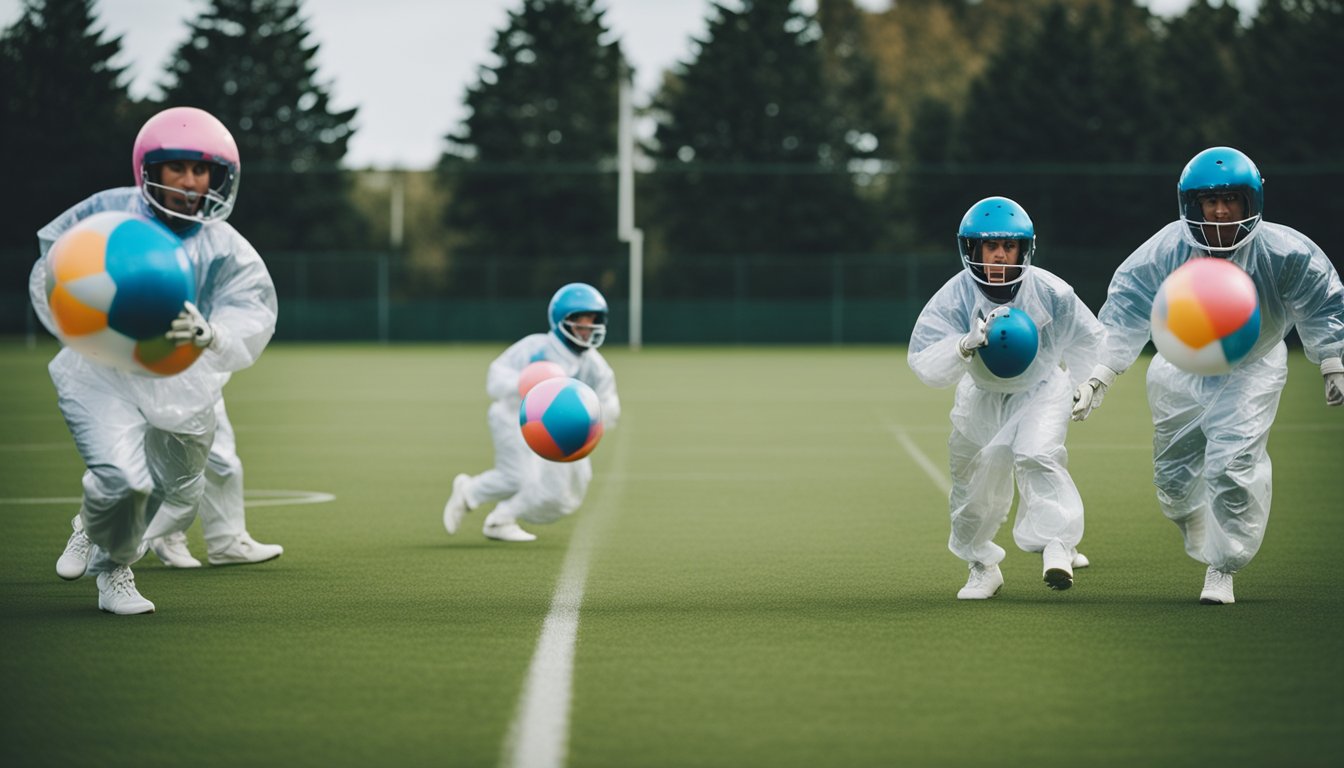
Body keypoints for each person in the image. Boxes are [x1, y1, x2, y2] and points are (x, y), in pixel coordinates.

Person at [1071, 146, 1343, 605]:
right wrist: (1099, 375)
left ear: (1250, 201)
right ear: (1190, 205)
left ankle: (1223, 567)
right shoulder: (1167, 248)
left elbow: (1323, 303)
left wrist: (1333, 361)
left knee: (1233, 466)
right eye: (1208, 200)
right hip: (1179, 369)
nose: (1220, 210)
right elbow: (1127, 310)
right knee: (1173, 483)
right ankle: (1191, 519)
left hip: (1252, 368)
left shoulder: (1286, 251)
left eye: (1231, 199)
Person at [33, 106, 279, 613]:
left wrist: (213, 334)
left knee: (179, 496)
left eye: (201, 169)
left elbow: (252, 309)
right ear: (150, 170)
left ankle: (89, 526)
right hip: (103, 371)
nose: (190, 181)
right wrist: (87, 324)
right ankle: (114, 571)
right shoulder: (109, 215)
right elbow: (52, 268)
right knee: (121, 478)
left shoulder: (224, 244)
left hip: (182, 379)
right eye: (177, 167)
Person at [908, 197, 1102, 600]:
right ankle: (982, 567)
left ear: (1024, 249)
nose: (999, 255)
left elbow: (1090, 338)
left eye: (1009, 246)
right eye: (990, 245)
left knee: (1037, 455)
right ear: (972, 250)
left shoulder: (1052, 292)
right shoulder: (956, 295)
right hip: (981, 395)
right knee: (973, 482)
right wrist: (962, 346)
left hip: (1043, 389)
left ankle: (1057, 546)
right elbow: (924, 358)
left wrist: (1090, 383)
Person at [442, 283, 620, 542]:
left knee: (567, 494)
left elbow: (610, 406)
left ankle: (489, 507)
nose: (588, 328)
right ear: (563, 321)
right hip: (514, 417)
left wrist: (591, 417)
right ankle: (482, 503)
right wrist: (523, 382)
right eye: (581, 320)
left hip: (565, 432)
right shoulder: (536, 347)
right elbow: (495, 378)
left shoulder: (595, 366)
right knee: (517, 477)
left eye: (593, 320)